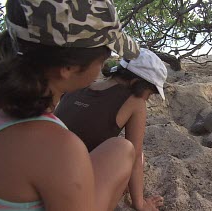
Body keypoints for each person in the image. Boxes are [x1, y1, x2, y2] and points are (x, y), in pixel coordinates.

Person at [0, 0, 158, 210]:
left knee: (119, 148)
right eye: (104, 58)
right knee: (123, 149)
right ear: (68, 67)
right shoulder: (62, 149)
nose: (103, 67)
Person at [54, 48, 167, 211]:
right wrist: (140, 204)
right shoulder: (135, 101)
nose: (147, 99)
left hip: (48, 175)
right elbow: (135, 156)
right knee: (128, 152)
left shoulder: (80, 86)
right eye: (149, 94)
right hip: (76, 190)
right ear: (136, 84)